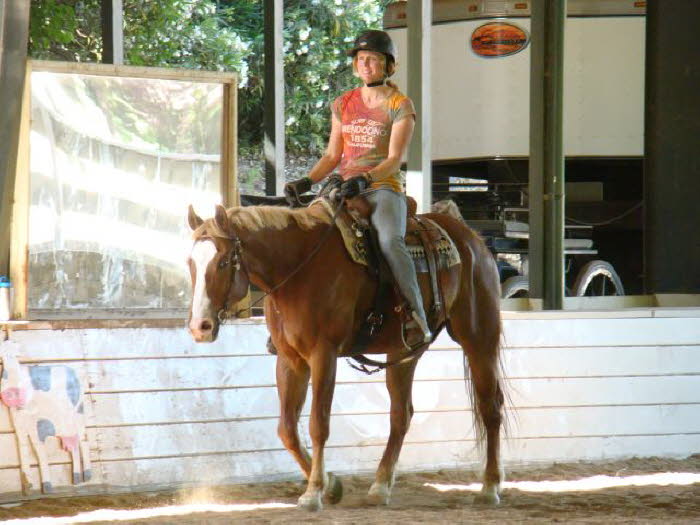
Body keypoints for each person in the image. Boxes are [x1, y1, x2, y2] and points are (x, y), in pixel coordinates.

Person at [284, 29, 431, 345]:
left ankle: (416, 313)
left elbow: (394, 158)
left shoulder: (399, 104)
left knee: (391, 241)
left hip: (382, 187)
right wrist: (307, 181)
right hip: (343, 186)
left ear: (387, 65)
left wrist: (367, 179)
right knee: (307, 235)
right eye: (361, 59)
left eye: (373, 59)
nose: (366, 65)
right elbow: (331, 155)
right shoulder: (343, 103)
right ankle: (289, 318)